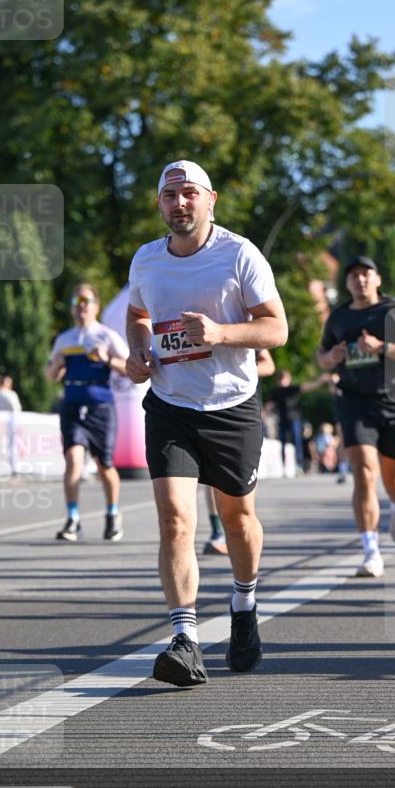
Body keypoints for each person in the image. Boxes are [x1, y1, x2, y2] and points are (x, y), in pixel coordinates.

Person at [125, 159, 287, 687]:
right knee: (175, 519)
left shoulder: (239, 254)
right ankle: (186, 638)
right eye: (170, 195)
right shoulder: (147, 261)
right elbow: (137, 314)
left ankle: (244, 603)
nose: (180, 203)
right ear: (160, 204)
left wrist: (220, 334)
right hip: (171, 405)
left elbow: (277, 329)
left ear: (210, 199)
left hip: (231, 406)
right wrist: (138, 352)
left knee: (237, 521)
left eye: (189, 193)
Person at [317, 256, 395, 578]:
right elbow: (322, 357)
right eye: (353, 275)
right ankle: (370, 551)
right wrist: (331, 357)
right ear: (347, 282)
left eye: (366, 274)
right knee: (364, 471)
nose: (359, 280)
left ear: (377, 279)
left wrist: (382, 347)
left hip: (393, 400)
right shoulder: (337, 318)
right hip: (353, 402)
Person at [46, 283, 129, 542]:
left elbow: (130, 367)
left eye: (86, 301)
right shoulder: (65, 339)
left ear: (96, 306)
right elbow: (51, 376)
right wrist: (57, 365)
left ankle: (113, 514)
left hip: (101, 406)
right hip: (71, 403)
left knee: (105, 466)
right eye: (76, 302)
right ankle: (73, 519)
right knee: (73, 460)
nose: (81, 306)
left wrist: (107, 359)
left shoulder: (106, 336)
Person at [202, 348, 275, 556]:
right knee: (210, 476)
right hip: (204, 405)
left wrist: (235, 368)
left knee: (241, 481)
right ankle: (217, 532)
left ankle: (244, 525)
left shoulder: (238, 318)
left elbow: (269, 365)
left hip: (241, 406)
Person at [267, 369, 329, 473]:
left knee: (297, 441)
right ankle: (283, 467)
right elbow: (269, 405)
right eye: (281, 379)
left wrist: (320, 380)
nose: (283, 381)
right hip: (282, 420)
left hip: (294, 419)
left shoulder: (292, 389)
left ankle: (299, 465)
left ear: (289, 379)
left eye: (285, 379)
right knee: (282, 443)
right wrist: (263, 414)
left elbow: (307, 387)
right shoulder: (276, 392)